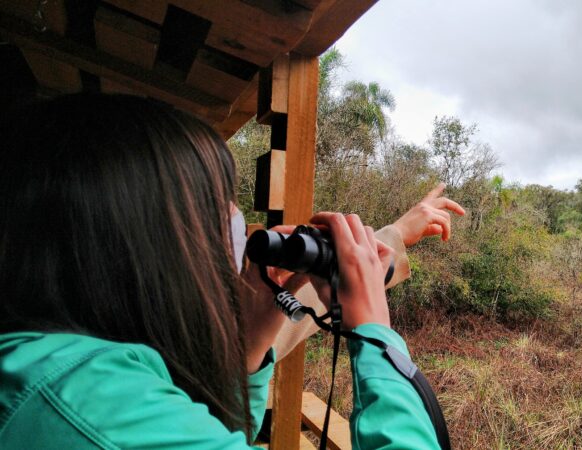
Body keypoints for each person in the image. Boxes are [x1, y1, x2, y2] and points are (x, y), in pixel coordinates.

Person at [0, 94, 464, 449]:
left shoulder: (56, 365)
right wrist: (375, 332)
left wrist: (250, 343)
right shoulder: (90, 402)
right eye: (215, 201)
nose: (238, 222)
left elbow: (214, 433)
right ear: (142, 240)